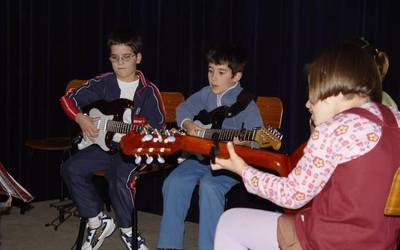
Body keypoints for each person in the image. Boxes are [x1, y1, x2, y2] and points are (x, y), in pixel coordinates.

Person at [211, 41, 400, 249]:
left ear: (333, 89)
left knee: (230, 223)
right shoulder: (393, 117)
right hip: (381, 243)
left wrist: (243, 170)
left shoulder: (335, 130)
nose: (307, 104)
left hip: (331, 242)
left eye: (312, 92)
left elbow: (290, 195)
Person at [60, 29, 165, 250]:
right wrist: (81, 118)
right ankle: (97, 221)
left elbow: (159, 128)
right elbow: (68, 99)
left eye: (126, 57)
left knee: (118, 177)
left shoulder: (148, 92)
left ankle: (128, 232)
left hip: (132, 150)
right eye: (114, 58)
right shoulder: (104, 83)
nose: (120, 63)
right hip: (103, 146)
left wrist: (145, 133)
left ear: (138, 58)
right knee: (71, 167)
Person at [157, 43, 264, 250]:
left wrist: (247, 141)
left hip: (228, 163)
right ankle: (168, 246)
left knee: (210, 187)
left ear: (236, 76)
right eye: (210, 71)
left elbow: (257, 138)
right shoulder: (206, 93)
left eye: (221, 72)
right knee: (174, 182)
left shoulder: (246, 103)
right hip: (201, 157)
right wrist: (188, 124)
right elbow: (183, 108)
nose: (213, 77)